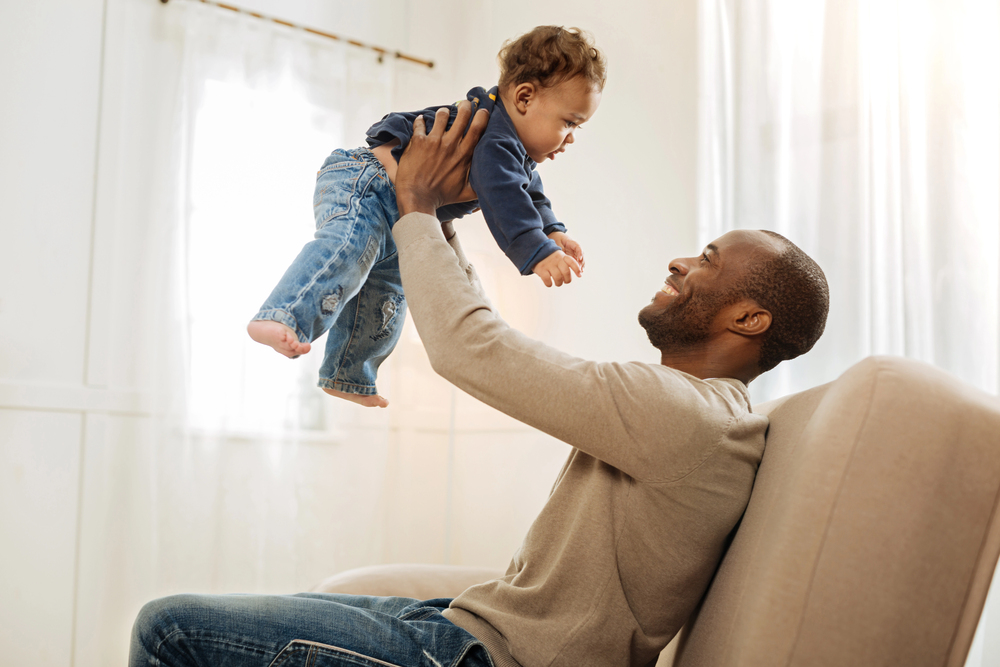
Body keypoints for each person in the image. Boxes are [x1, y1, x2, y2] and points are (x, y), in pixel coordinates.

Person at [131, 102, 830, 667]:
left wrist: (415, 205)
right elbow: (485, 336)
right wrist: (438, 215)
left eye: (707, 259)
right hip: (463, 627)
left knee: (170, 630)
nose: (680, 262)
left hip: (488, 658)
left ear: (749, 318)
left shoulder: (689, 417)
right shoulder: (686, 410)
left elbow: (472, 349)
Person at [247, 26, 605, 408]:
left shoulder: (515, 153)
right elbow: (505, 196)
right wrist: (537, 251)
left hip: (401, 212)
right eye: (569, 122)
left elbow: (530, 193)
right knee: (348, 250)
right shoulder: (497, 138)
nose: (571, 137)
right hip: (367, 183)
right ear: (524, 98)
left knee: (387, 292)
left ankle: (349, 376)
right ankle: (283, 314)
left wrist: (553, 232)